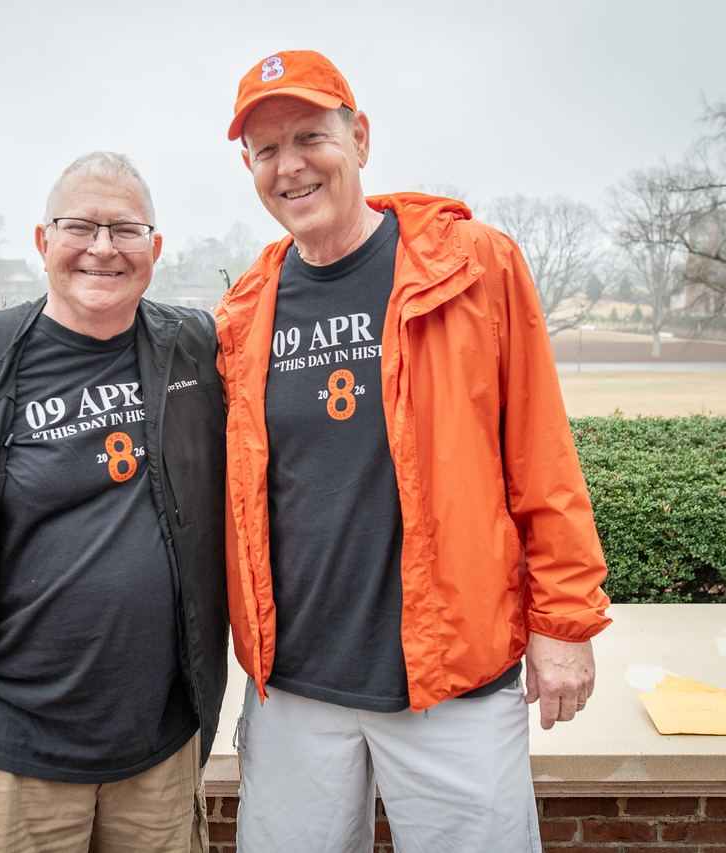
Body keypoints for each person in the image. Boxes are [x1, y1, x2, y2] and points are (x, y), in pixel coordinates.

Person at [215, 51, 612, 852]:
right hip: (293, 688)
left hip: (453, 681)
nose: (289, 165)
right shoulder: (244, 309)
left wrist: (565, 622)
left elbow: (542, 451)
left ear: (359, 137)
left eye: (310, 137)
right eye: (266, 150)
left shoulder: (474, 265)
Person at [0, 151, 228, 853]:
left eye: (126, 230)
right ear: (43, 242)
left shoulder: (193, 349)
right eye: (81, 227)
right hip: (7, 752)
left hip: (157, 749)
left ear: (154, 248)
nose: (103, 248)